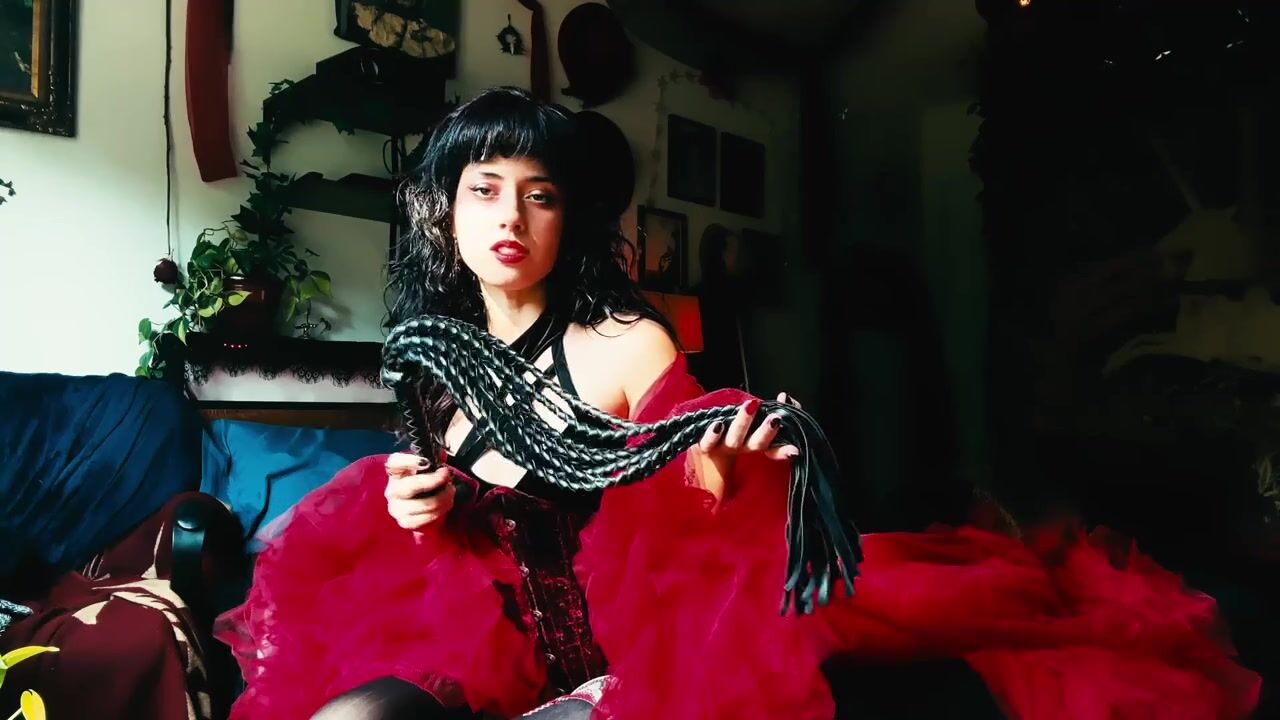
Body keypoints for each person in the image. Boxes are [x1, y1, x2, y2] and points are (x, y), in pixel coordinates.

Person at [215, 87, 1261, 720]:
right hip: (477, 638)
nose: (511, 216)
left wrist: (721, 471)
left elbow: (697, 501)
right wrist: (419, 510)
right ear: (443, 212)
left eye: (540, 194)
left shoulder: (625, 340)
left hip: (637, 641)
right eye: (484, 189)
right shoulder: (438, 361)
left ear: (568, 218)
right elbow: (444, 527)